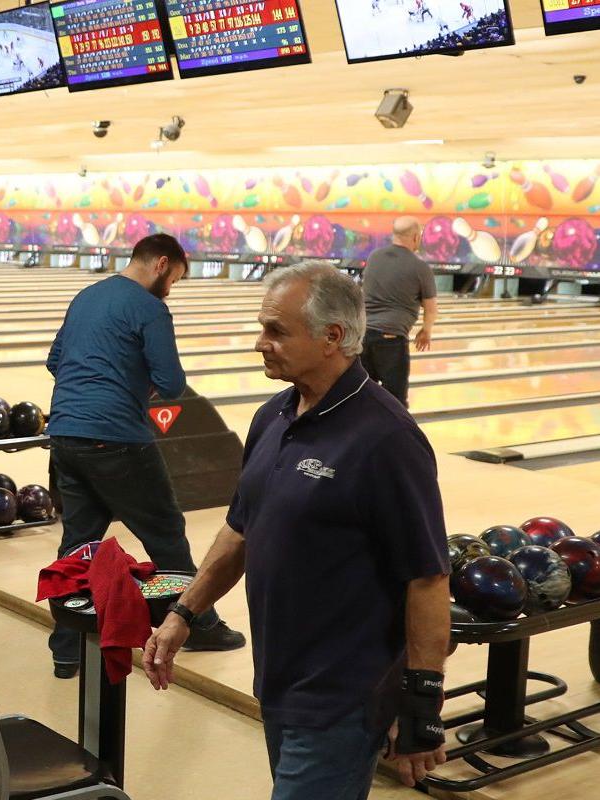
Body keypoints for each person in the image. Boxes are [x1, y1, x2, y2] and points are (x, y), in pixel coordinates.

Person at [144, 261, 451, 798]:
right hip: (278, 679)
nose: (260, 343)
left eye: (276, 331)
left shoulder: (387, 440)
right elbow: (240, 530)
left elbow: (427, 579)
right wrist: (183, 613)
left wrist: (422, 706)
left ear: (332, 336)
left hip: (341, 696)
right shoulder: (273, 416)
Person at [44, 232, 244, 678]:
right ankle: (200, 624)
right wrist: (132, 385)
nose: (172, 287)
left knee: (80, 542)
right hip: (116, 438)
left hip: (65, 434)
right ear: (161, 263)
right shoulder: (151, 307)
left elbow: (56, 360)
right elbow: (171, 383)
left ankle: (67, 647)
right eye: (175, 277)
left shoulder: (88, 295)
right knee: (166, 532)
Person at [361, 216, 437, 407]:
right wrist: (426, 331)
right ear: (415, 237)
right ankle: (390, 437)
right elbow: (430, 308)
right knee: (395, 403)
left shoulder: (374, 257)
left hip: (362, 336)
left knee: (360, 396)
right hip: (391, 339)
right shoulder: (421, 267)